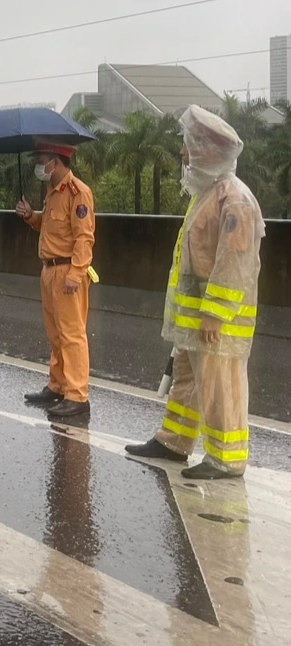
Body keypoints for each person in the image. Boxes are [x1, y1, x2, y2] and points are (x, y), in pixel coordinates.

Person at [125, 106, 264, 479]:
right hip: (194, 320)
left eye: (189, 146)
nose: (184, 154)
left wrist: (215, 313)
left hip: (217, 322)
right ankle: (174, 442)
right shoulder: (207, 193)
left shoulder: (234, 199)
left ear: (208, 151)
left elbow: (234, 263)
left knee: (221, 387)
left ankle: (226, 458)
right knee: (187, 381)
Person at [16, 141, 96, 418]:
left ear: (57, 161)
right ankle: (58, 384)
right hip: (49, 270)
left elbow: (84, 237)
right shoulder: (52, 192)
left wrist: (76, 273)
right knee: (55, 333)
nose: (39, 165)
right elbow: (52, 229)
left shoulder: (78, 193)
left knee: (72, 334)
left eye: (42, 159)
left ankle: (76, 395)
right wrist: (31, 217)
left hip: (66, 271)